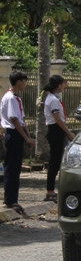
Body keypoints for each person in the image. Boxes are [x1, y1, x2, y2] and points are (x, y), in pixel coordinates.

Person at [1, 71, 35, 214]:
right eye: (24, 81)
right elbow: (14, 120)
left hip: (18, 134)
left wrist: (27, 136)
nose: (25, 84)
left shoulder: (17, 98)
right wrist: (25, 137)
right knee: (12, 168)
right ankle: (10, 200)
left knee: (16, 167)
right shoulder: (10, 98)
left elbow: (22, 120)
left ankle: (13, 198)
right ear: (18, 81)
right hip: (13, 133)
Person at [41, 75, 74, 202]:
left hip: (56, 130)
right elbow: (57, 119)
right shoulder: (53, 100)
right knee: (55, 161)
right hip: (55, 130)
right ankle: (50, 191)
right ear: (58, 85)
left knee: (58, 160)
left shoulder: (53, 98)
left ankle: (53, 189)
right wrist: (68, 132)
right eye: (62, 84)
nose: (64, 86)